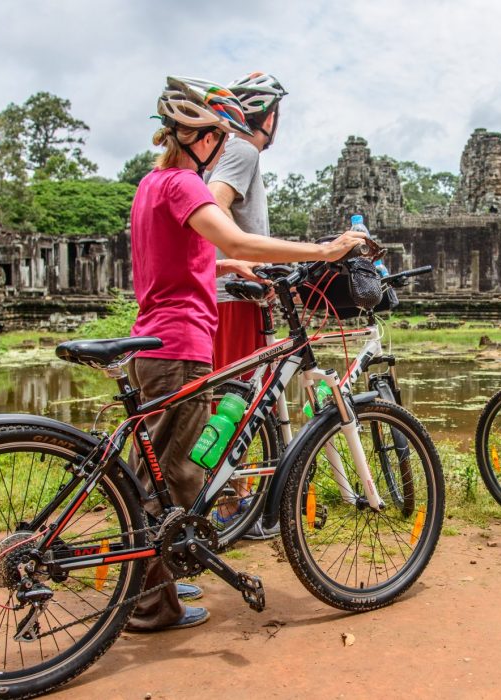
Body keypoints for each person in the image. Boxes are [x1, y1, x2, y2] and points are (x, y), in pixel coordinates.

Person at [124, 76, 367, 632]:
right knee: (181, 474)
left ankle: (146, 578)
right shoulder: (185, 185)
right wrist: (325, 249)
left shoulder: (150, 184)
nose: (219, 148)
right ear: (198, 137)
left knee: (152, 473)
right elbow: (230, 237)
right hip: (181, 344)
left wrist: (227, 269)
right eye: (217, 135)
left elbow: (183, 259)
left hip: (151, 339)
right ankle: (150, 606)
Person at [205, 72, 288, 540]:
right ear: (269, 115)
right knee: (236, 401)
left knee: (233, 399)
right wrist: (236, 263)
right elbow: (214, 207)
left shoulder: (223, 151)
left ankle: (238, 499)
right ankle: (234, 504)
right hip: (233, 300)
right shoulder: (242, 149)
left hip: (232, 297)